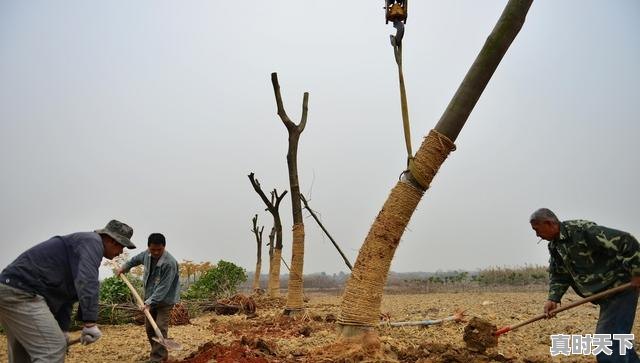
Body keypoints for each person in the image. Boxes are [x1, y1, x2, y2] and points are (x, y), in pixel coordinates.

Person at [0, 219, 136, 363]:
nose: (121, 252)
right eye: (121, 247)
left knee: (24, 353)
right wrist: (90, 322)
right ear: (111, 240)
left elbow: (65, 297)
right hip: (22, 293)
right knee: (52, 349)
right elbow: (87, 281)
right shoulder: (93, 243)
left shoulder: (79, 247)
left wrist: (63, 330)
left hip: (9, 290)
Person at [530, 208, 640, 363]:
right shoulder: (555, 246)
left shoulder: (583, 231)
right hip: (604, 295)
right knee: (619, 342)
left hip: (620, 290)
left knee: (608, 347)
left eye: (537, 230)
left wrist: (637, 271)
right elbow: (560, 274)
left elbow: (626, 241)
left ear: (549, 223)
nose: (537, 235)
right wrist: (553, 298)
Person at [117, 233, 179, 363]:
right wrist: (124, 268)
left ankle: (157, 359)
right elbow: (134, 260)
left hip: (165, 301)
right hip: (148, 299)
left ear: (164, 247)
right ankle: (160, 353)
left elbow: (163, 287)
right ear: (148, 247)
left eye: (159, 250)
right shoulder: (146, 254)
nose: (156, 252)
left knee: (160, 327)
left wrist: (150, 302)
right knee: (150, 329)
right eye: (153, 249)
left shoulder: (170, 263)